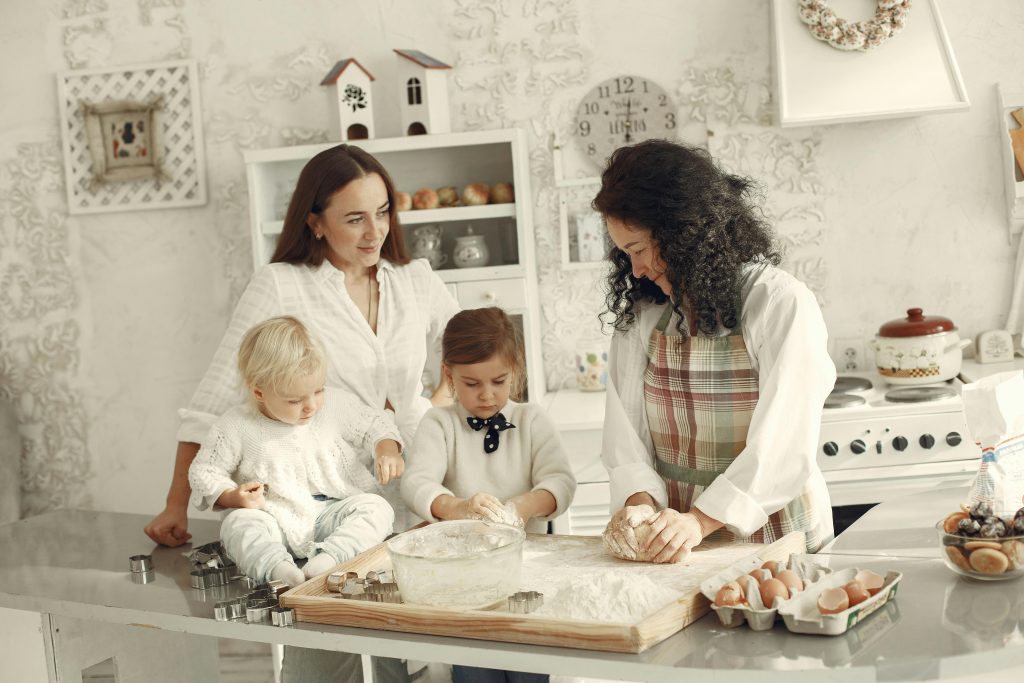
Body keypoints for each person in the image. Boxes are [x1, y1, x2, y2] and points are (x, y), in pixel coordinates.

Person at [146, 143, 459, 683]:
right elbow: (212, 400)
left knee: (408, 656)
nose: (375, 232)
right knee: (319, 658)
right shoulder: (281, 285)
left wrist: (435, 409)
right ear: (314, 222)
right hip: (323, 502)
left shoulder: (416, 278)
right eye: (355, 218)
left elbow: (474, 349)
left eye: (383, 212)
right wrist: (176, 507)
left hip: (413, 489)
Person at [596, 139, 835, 565]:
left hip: (776, 537)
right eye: (624, 254)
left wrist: (700, 520)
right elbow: (625, 436)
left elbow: (782, 445)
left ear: (682, 233)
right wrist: (640, 503)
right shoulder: (645, 315)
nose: (635, 270)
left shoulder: (777, 302)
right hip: (679, 539)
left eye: (638, 249)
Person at [402, 306, 576, 683]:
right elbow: (416, 483)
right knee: (475, 670)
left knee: (528, 670)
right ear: (448, 375)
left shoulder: (532, 420)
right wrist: (456, 506)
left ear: (516, 370)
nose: (486, 395)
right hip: (465, 584)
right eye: (471, 383)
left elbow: (561, 482)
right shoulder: (439, 424)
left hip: (529, 575)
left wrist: (523, 506)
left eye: (498, 381)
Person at [188, 316, 403, 586]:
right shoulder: (236, 425)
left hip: (334, 513)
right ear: (258, 392)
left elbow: (375, 423)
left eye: (318, 390)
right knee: (237, 524)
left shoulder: (334, 405)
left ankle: (332, 558)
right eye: (294, 400)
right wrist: (234, 497)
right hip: (275, 520)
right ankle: (277, 568)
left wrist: (387, 449)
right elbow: (205, 471)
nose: (311, 405)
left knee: (377, 508)